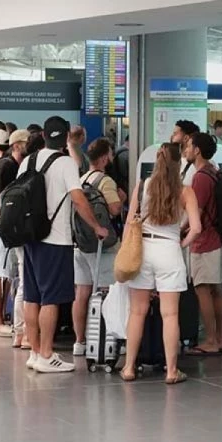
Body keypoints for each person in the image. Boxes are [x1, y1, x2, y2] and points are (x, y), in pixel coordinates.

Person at [20, 116, 108, 373]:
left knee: (32, 296)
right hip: (56, 239)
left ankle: (35, 352)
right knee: (50, 299)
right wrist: (96, 226)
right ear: (66, 137)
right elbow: (78, 199)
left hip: (31, 237)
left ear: (44, 135)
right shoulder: (66, 163)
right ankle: (47, 354)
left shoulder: (28, 160)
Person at [121, 143, 201, 384]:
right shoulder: (185, 192)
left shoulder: (142, 186)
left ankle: (129, 367)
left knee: (137, 312)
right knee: (170, 314)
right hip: (169, 251)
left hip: (143, 250)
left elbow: (129, 222)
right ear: (179, 163)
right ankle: (171, 370)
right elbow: (196, 228)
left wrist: (125, 252)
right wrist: (182, 243)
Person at [72, 138, 123, 356]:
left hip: (80, 244)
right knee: (106, 292)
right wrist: (121, 198)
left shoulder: (81, 179)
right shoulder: (105, 181)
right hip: (102, 246)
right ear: (103, 158)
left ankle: (80, 341)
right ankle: (105, 339)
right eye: (110, 154)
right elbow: (114, 209)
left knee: (82, 293)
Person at [184, 133, 222, 356]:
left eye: (189, 146)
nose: (186, 149)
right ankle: (219, 338)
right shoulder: (213, 171)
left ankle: (210, 340)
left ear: (197, 150)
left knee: (202, 289)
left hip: (204, 241)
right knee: (216, 288)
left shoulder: (200, 178)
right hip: (217, 237)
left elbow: (196, 214)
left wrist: (180, 231)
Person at [0, 130, 27, 337]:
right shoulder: (6, 166)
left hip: (8, 229)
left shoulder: (16, 166)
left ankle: (1, 317)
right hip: (1, 230)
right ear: (16, 145)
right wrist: (1, 219)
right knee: (1, 273)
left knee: (8, 274)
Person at [171, 120, 201, 185]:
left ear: (186, 138)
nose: (171, 137)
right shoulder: (173, 161)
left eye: (175, 134)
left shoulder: (200, 164)